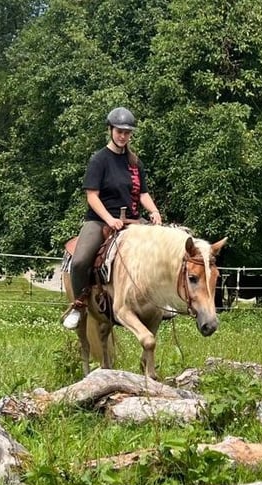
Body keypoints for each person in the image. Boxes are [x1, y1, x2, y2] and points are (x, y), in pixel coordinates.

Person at [63, 106, 163, 329]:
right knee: (80, 261)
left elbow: (143, 194)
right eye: (119, 131)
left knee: (160, 250)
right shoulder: (99, 160)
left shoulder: (135, 163)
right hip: (100, 220)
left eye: (127, 132)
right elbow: (92, 196)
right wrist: (109, 219)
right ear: (110, 130)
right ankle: (79, 305)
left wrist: (154, 211)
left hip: (134, 222)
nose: (123, 136)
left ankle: (159, 303)